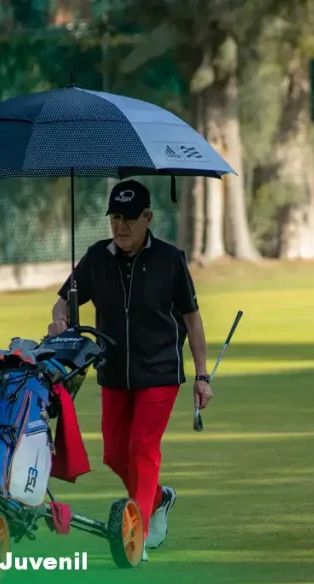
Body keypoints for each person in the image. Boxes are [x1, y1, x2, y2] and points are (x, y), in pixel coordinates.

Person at [48, 179, 212, 561]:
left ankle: (135, 533)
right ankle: (158, 498)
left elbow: (192, 318)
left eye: (129, 219)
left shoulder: (170, 260)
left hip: (160, 372)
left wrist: (202, 375)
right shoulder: (97, 257)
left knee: (141, 448)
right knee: (113, 454)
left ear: (148, 218)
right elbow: (62, 302)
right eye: (115, 219)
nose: (120, 227)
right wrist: (60, 319)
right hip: (113, 372)